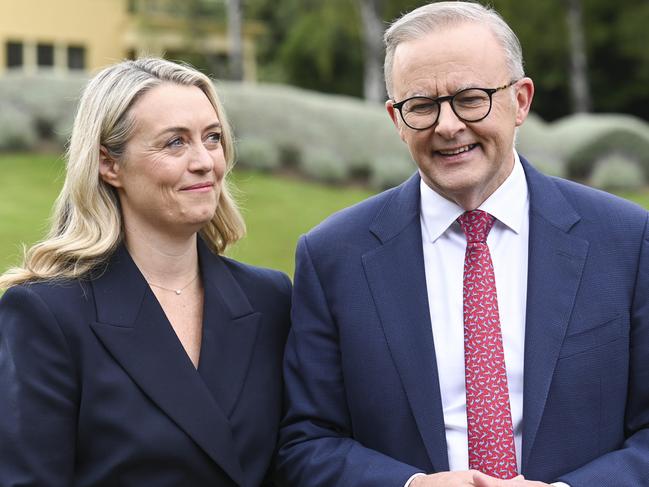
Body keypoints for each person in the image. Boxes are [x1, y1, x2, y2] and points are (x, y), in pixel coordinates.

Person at [275, 2, 649, 487]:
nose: (447, 125)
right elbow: (307, 442)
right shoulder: (332, 257)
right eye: (422, 106)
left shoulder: (626, 240)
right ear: (395, 118)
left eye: (470, 98)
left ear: (520, 100)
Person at [0, 58, 291, 487]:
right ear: (108, 164)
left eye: (212, 138)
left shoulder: (270, 298)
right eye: (175, 143)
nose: (204, 162)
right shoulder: (46, 314)